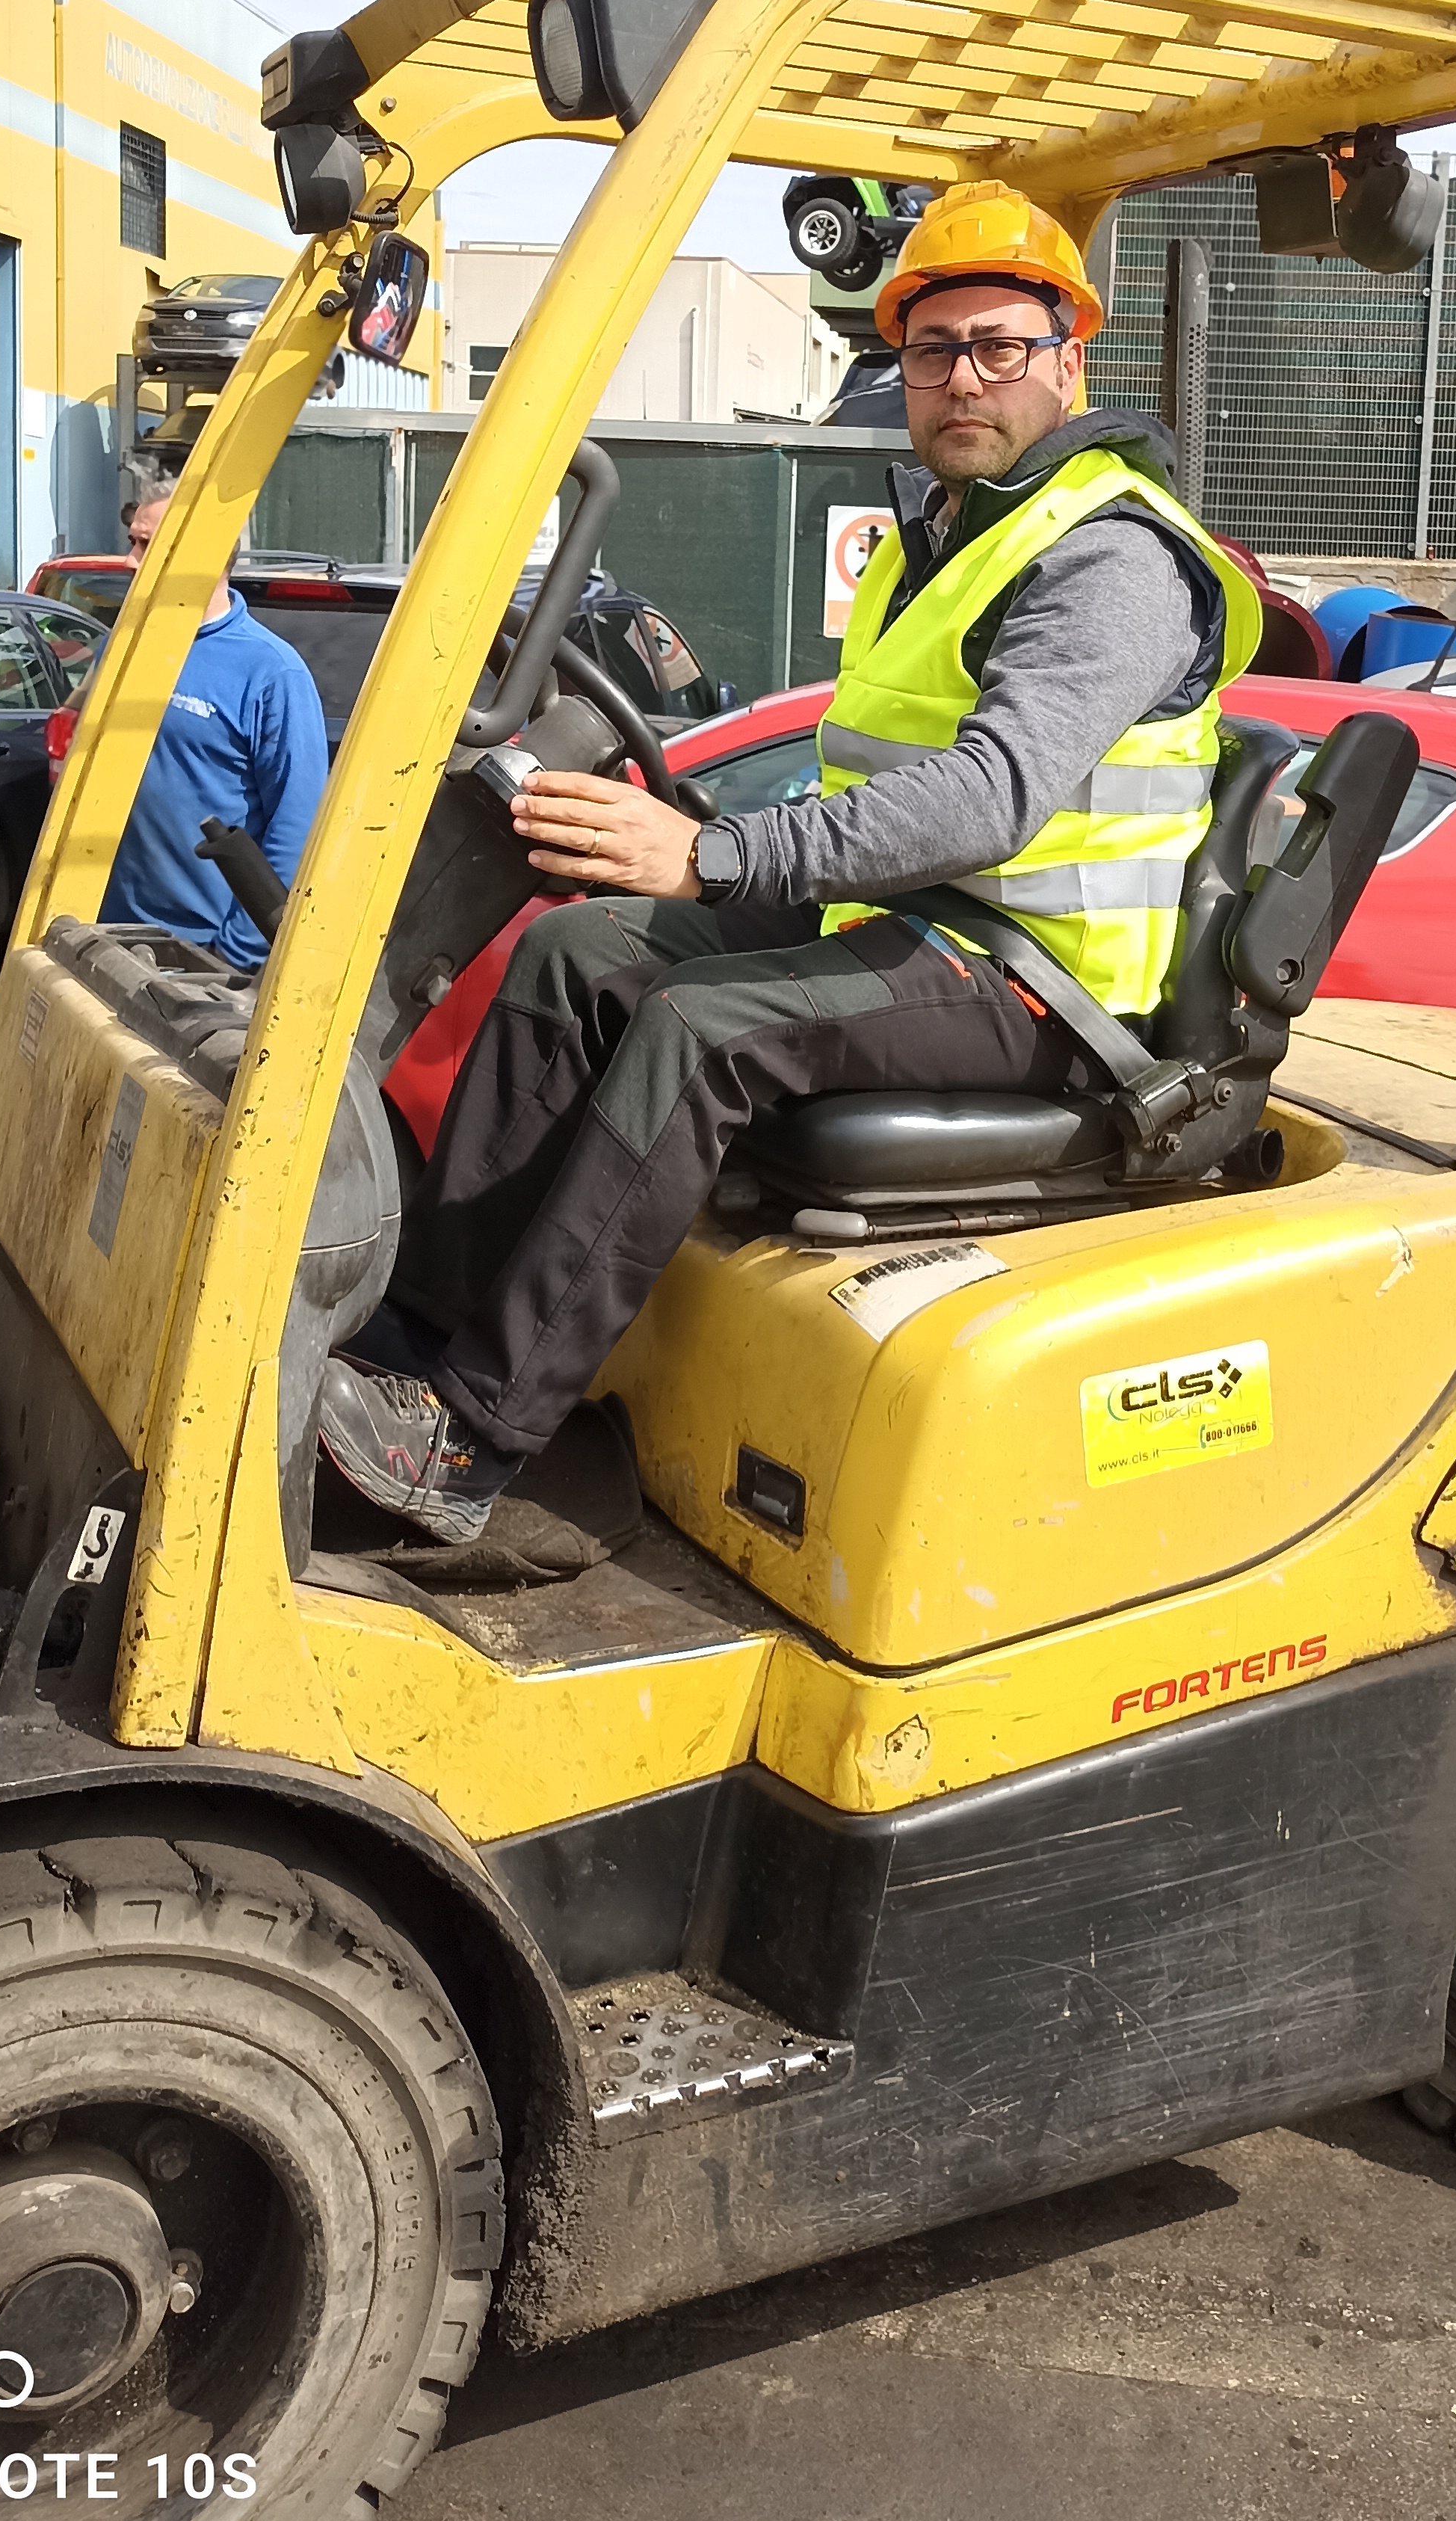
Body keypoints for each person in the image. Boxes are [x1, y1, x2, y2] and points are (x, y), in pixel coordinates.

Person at [320, 182, 1261, 1543]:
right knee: (576, 949)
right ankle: (413, 1338)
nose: (961, 378)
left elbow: (991, 796)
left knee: (701, 1031)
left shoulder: (1109, 554)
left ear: (1070, 362)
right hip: (916, 933)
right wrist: (689, 836)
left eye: (999, 345)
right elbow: (872, 777)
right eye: (931, 350)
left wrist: (715, 855)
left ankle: (470, 1437)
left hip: (1043, 988)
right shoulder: (944, 541)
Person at [98, 490, 330, 971]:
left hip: (202, 954)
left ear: (202, 554)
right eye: (131, 541)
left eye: (147, 545)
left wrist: (237, 951)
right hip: (108, 935)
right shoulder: (122, 649)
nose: (129, 561)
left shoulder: (271, 672)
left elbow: (298, 822)